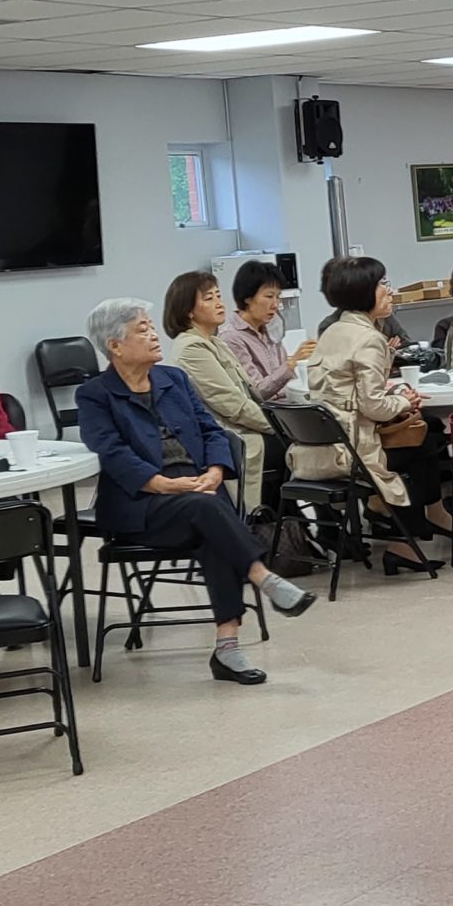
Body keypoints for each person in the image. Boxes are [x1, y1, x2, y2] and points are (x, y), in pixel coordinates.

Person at [76, 299, 314, 684]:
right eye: (142, 329)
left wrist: (216, 470)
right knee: (208, 512)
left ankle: (227, 648)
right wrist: (161, 483)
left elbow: (211, 431)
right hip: (142, 501)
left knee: (210, 524)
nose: (154, 335)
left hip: (199, 489)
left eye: (151, 326)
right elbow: (111, 451)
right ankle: (263, 579)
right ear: (115, 346)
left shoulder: (174, 379)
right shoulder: (94, 394)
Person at [309, 255, 453, 558]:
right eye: (381, 284)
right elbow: (374, 406)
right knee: (422, 442)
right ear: (363, 292)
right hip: (353, 448)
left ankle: (400, 522)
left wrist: (396, 393)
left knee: (425, 433)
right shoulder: (368, 338)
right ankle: (403, 537)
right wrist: (405, 400)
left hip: (323, 443)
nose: (390, 290)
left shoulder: (333, 331)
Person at [163, 269, 274, 501]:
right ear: (189, 310)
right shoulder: (192, 348)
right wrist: (280, 425)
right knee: (304, 448)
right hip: (230, 434)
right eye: (209, 298)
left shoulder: (214, 342)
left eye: (218, 296)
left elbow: (249, 392)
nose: (219, 303)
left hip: (248, 425)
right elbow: (233, 405)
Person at [219, 259, 314, 402]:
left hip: (289, 403)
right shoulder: (232, 337)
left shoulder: (270, 329)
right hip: (269, 411)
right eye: (269, 296)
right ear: (247, 297)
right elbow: (256, 392)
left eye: (278, 297)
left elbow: (289, 382)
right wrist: (291, 363)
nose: (276, 304)